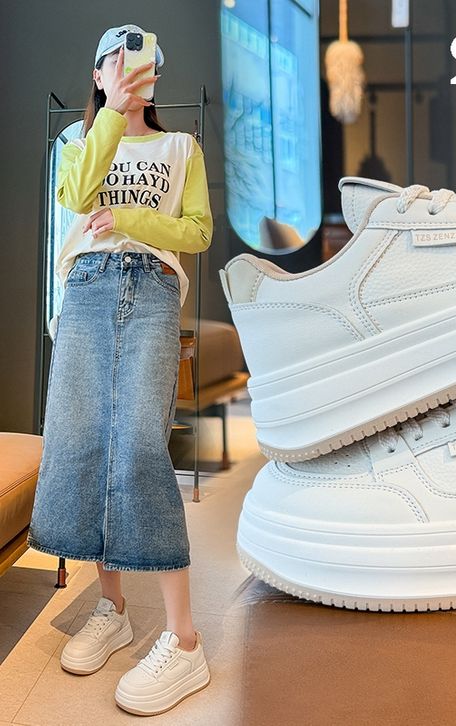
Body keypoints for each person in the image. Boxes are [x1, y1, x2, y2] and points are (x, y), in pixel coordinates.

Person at [28, 24, 213, 716]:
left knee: (138, 445)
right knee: (82, 445)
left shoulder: (181, 147)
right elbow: (76, 199)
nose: (129, 71)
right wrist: (109, 115)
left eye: (141, 64)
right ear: (99, 75)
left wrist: (133, 218)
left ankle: (185, 641)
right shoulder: (75, 142)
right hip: (85, 289)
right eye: (115, 62)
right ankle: (112, 609)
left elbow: (197, 231)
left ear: (154, 76)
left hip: (153, 290)